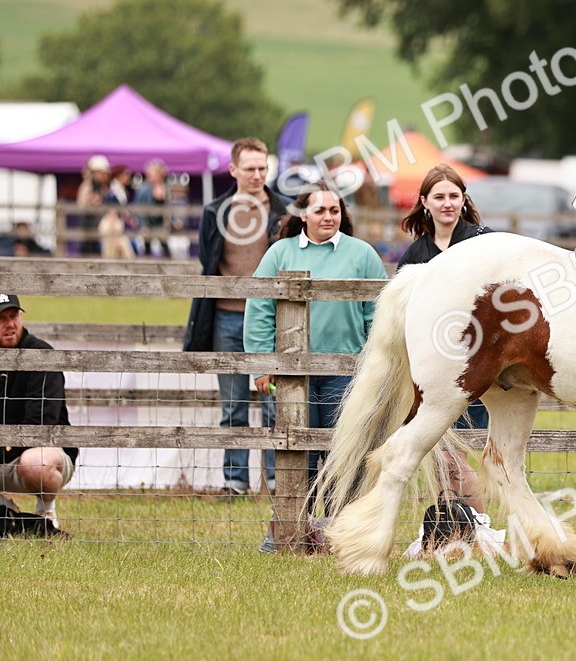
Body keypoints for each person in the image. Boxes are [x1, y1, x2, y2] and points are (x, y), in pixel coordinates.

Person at [244, 187, 388, 552]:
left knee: (346, 454)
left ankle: (342, 535)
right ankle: (290, 533)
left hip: (348, 372)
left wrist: (379, 368)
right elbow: (260, 306)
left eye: (335, 210)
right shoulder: (281, 252)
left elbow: (379, 317)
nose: (329, 216)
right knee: (298, 454)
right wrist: (263, 362)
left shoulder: (362, 254)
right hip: (293, 374)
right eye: (320, 210)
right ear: (303, 215)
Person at [183, 138, 289, 498]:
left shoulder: (283, 210)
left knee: (276, 402)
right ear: (234, 170)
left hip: (271, 319)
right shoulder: (216, 211)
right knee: (233, 405)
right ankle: (235, 481)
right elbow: (206, 258)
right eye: (250, 168)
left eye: (263, 168)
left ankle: (278, 480)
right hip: (226, 317)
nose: (258, 175)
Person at [397, 165, 490, 509]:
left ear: (464, 199)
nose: (447, 203)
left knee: (464, 449)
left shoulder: (483, 240)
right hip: (433, 366)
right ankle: (450, 523)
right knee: (439, 449)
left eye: (454, 196)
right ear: (424, 202)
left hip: (478, 359)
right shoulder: (415, 255)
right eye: (439, 197)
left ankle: (476, 523)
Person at [1, 294, 73, 536]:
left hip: (42, 451)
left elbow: (41, 424)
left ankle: (46, 510)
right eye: (1, 319)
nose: (9, 324)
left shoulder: (41, 354)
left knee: (35, 463)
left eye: (13, 316)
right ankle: (5, 508)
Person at [134, 159, 178, 258]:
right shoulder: (143, 189)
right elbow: (138, 208)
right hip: (148, 224)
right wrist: (142, 225)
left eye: (153, 173)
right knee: (147, 249)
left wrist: (174, 220)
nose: (150, 175)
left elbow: (168, 207)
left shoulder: (166, 187)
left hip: (162, 224)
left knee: (166, 248)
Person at [76, 154, 111, 255]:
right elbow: (81, 205)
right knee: (89, 250)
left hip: (98, 224)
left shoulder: (102, 187)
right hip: (89, 224)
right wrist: (92, 203)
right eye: (102, 173)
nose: (104, 176)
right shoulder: (88, 186)